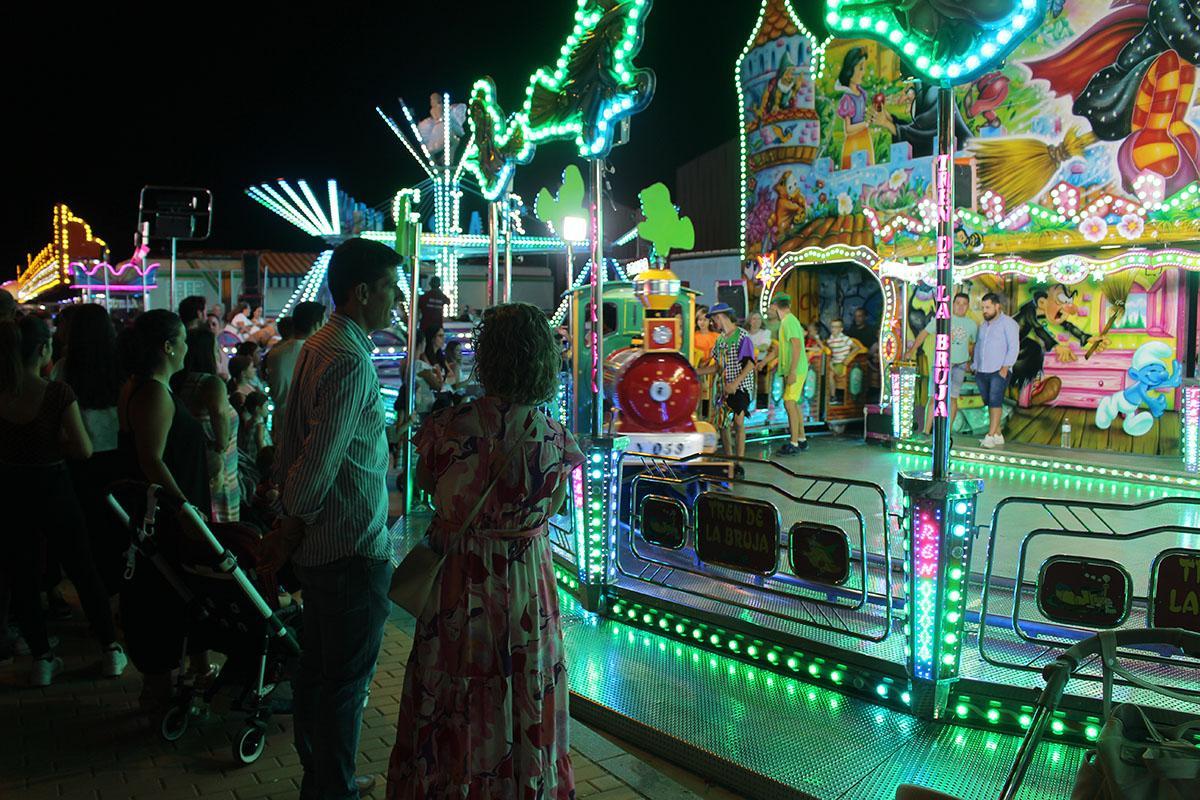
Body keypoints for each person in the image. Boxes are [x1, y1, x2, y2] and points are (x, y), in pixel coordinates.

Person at [386, 302, 584, 798]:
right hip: (524, 592)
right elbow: (551, 507)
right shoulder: (554, 440)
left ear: (487, 358)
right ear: (542, 361)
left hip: (458, 580)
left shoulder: (447, 427)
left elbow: (429, 489)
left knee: (453, 687)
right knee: (520, 688)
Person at [266, 238, 399, 799]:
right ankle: (334, 790)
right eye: (390, 289)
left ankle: (323, 778)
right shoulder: (348, 358)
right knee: (343, 684)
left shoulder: (320, 344)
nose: (396, 302)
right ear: (362, 291)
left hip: (321, 550)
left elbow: (297, 440)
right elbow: (320, 461)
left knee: (317, 676)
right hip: (348, 547)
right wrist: (290, 526)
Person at [0, 315, 126, 686]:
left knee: (23, 574)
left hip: (10, 490)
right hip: (54, 487)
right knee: (83, 568)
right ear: (42, 350)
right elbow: (84, 449)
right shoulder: (56, 394)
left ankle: (42, 658)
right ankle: (110, 651)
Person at [117, 309, 212, 710]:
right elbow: (152, 459)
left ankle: (166, 684)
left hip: (164, 510)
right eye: (183, 340)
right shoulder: (154, 393)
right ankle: (159, 691)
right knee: (165, 592)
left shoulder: (143, 387)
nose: (189, 346)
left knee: (169, 591)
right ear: (168, 347)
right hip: (167, 515)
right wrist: (184, 507)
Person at [59, 304, 126, 593]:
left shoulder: (65, 367)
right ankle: (123, 588)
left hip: (82, 456)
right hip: (120, 453)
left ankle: (102, 589)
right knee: (121, 524)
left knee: (91, 528)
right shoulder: (122, 363)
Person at [176, 328, 241, 523]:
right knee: (223, 533)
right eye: (216, 348)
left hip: (198, 469)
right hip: (219, 473)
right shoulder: (211, 383)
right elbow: (220, 416)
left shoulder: (181, 383)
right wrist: (221, 454)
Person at [904, 293, 978, 435]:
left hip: (959, 365)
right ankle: (926, 431)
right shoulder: (943, 318)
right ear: (953, 304)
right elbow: (924, 333)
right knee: (934, 397)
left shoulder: (972, 324)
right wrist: (911, 351)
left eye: (964, 304)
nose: (961, 306)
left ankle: (947, 433)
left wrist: (971, 361)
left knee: (953, 398)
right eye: (958, 303)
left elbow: (973, 344)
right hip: (941, 363)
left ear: (968, 306)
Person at [701, 304, 756, 475]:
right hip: (724, 386)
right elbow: (717, 367)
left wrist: (735, 383)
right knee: (724, 424)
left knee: (738, 422)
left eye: (714, 319)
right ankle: (730, 459)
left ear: (720, 316)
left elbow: (750, 364)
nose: (713, 323)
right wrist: (695, 371)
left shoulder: (742, 336)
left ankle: (740, 461)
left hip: (740, 386)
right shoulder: (720, 339)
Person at [265, 301, 325, 435]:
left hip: (281, 421)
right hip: (306, 425)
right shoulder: (318, 354)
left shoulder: (274, 354)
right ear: (316, 325)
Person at [973, 292, 1020, 449]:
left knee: (995, 401)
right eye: (983, 308)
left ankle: (990, 436)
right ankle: (998, 434)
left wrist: (1006, 366)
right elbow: (979, 347)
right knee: (989, 403)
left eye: (988, 307)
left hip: (999, 370)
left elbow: (1014, 347)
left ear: (997, 306)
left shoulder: (1009, 324)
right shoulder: (983, 326)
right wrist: (975, 366)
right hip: (982, 370)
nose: (984, 311)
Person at [768, 294, 808, 454]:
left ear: (775, 305)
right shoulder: (787, 321)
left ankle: (794, 443)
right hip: (795, 368)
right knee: (794, 403)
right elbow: (783, 348)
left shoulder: (789, 321)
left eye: (771, 306)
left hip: (796, 369)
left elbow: (797, 346)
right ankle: (801, 439)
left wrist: (792, 371)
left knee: (789, 402)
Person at [825, 319, 868, 404]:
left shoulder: (845, 338)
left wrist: (848, 357)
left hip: (842, 363)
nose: (834, 329)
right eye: (832, 327)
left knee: (830, 374)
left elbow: (856, 347)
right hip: (834, 361)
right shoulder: (830, 340)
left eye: (836, 327)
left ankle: (833, 397)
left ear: (841, 329)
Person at [747, 311, 774, 412]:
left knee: (761, 377)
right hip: (746, 360)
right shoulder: (745, 333)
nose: (757, 321)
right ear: (750, 321)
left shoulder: (765, 332)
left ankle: (761, 404)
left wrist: (751, 348)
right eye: (754, 319)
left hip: (760, 360)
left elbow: (764, 346)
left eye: (759, 319)